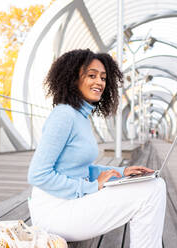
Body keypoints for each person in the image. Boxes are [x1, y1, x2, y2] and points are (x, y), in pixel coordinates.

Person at [27, 49, 166, 248]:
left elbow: (82, 169)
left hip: (70, 203)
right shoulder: (63, 116)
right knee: (152, 191)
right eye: (91, 75)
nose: (100, 82)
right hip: (54, 212)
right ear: (73, 77)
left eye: (103, 77)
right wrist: (91, 187)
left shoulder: (81, 117)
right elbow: (37, 175)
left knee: (155, 185)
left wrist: (121, 172)